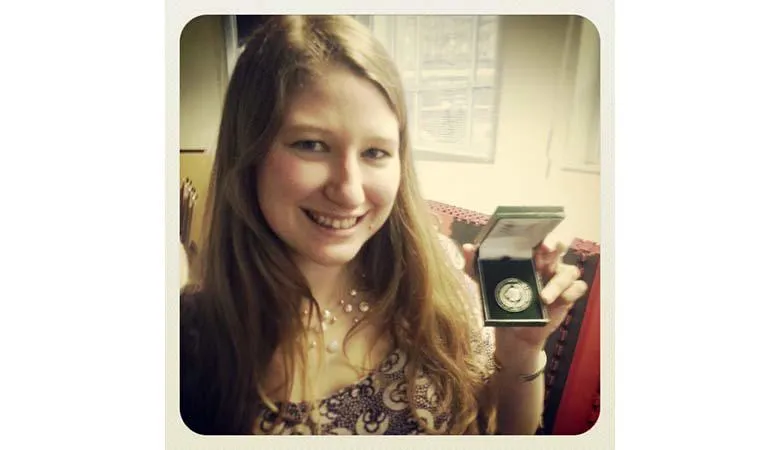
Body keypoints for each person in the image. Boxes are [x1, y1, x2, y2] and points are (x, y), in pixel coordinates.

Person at [179, 15, 588, 435]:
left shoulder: (440, 276)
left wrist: (520, 353)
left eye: (375, 152)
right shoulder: (189, 342)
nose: (350, 192)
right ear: (249, 151)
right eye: (311, 145)